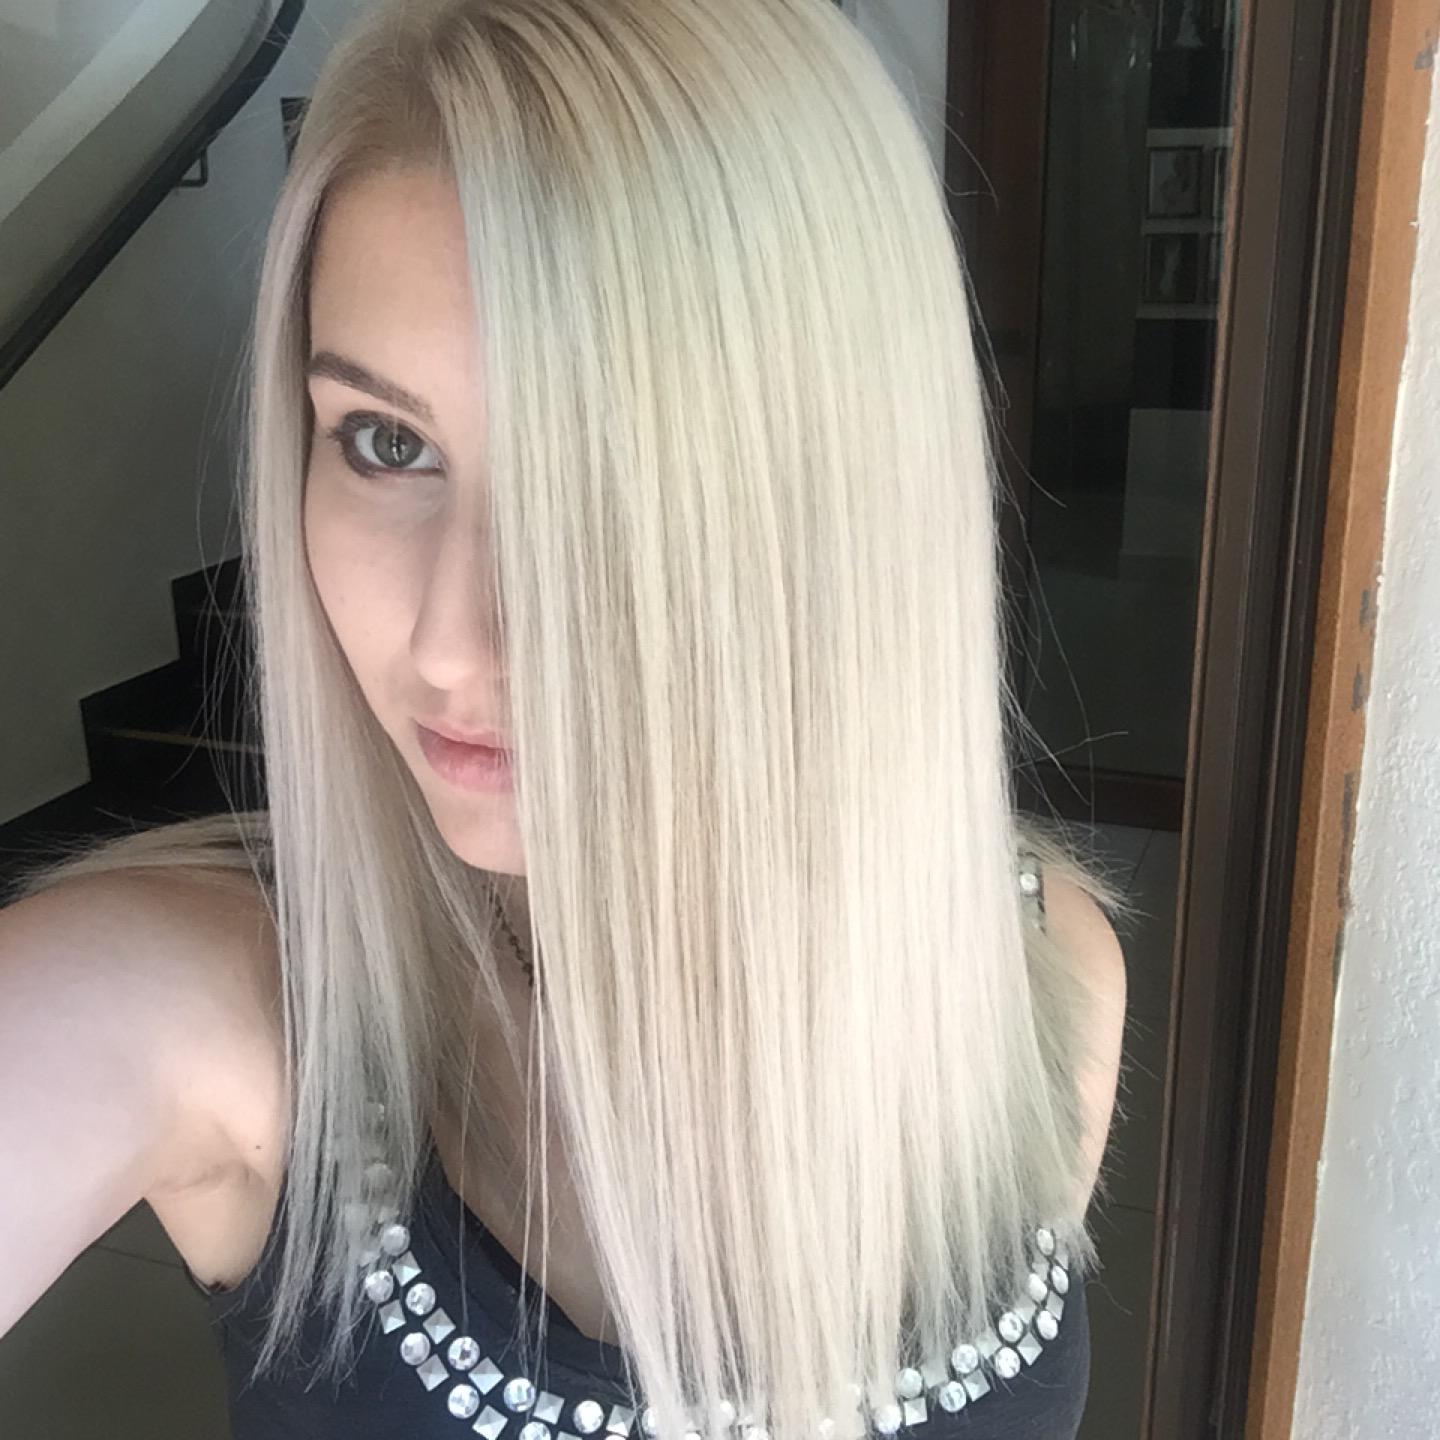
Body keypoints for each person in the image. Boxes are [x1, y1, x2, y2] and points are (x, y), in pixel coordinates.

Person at [0, 1, 1131, 1436]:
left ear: (844, 503)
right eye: (386, 443)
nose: (454, 642)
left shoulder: (1042, 976)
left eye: (602, 469)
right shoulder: (201, 1008)